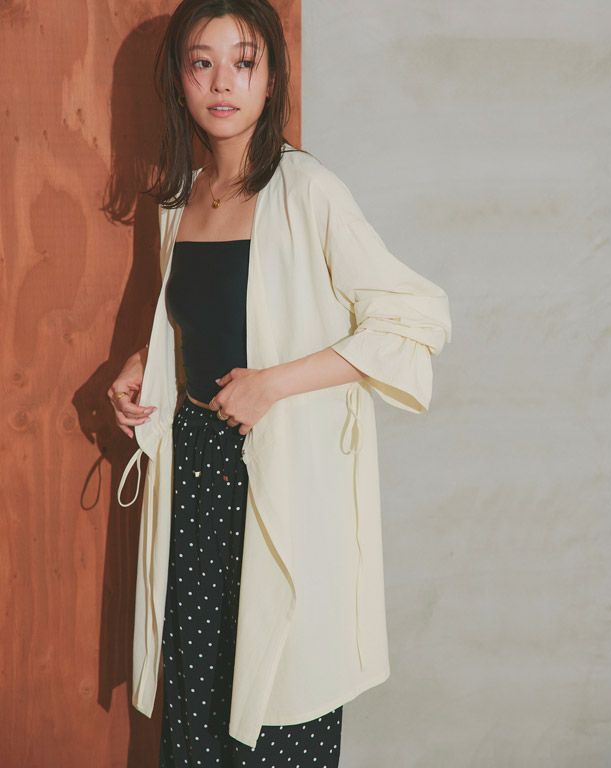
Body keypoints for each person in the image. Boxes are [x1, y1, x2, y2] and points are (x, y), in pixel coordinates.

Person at [109, 1, 452, 766]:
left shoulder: (307, 189)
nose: (221, 82)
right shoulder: (179, 199)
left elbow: (415, 318)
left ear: (271, 79)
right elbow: (203, 320)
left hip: (283, 477)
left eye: (244, 62)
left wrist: (274, 385)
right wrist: (145, 363)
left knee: (281, 697)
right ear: (179, 80)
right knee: (197, 703)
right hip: (196, 476)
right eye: (202, 63)